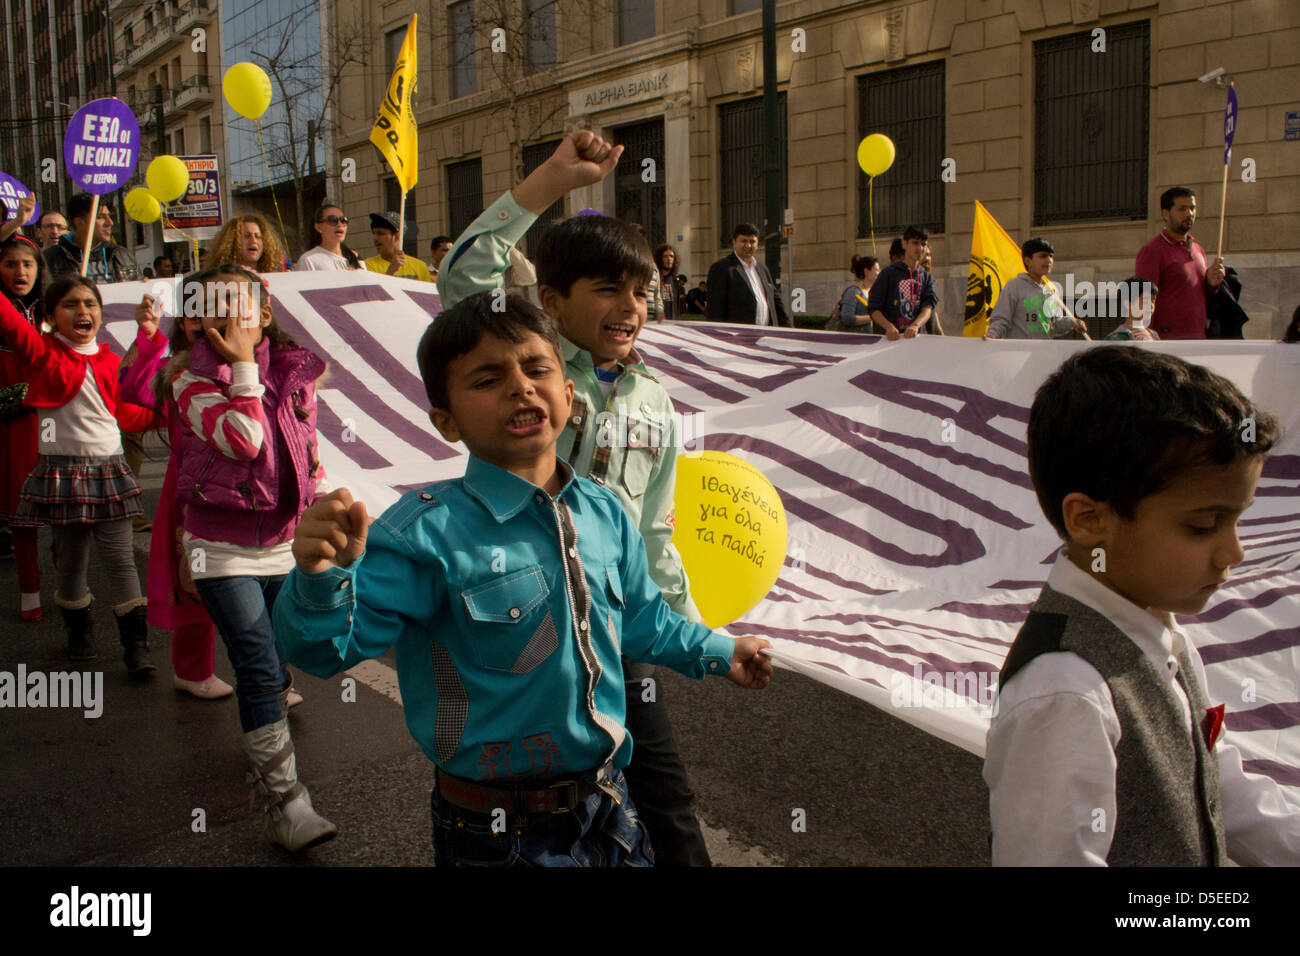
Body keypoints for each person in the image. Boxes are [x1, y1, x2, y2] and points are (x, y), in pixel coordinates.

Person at [273, 292, 773, 867]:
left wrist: (720, 650)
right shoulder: (423, 534)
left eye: (537, 368)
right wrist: (317, 577)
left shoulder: (607, 513)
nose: (520, 386)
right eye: (488, 379)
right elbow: (323, 650)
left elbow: (643, 623)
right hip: (495, 832)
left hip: (611, 805)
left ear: (567, 395)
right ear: (446, 421)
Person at [439, 130, 722, 866]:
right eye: (607, 289)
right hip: (530, 637)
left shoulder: (655, 400)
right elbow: (464, 275)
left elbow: (655, 531)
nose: (630, 306)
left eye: (641, 292)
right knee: (544, 816)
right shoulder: (531, 365)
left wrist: (696, 640)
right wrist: (551, 181)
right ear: (551, 301)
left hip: (617, 634)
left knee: (668, 800)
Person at [985, 346, 1300, 865]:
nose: (1235, 552)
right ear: (1091, 521)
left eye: (1237, 519)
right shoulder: (1066, 694)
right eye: (1203, 526)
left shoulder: (1160, 631)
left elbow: (1215, 788)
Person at [165, 265, 334, 850]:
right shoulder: (189, 383)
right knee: (259, 667)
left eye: (244, 306)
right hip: (220, 550)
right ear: (197, 321)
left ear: (265, 315)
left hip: (284, 546)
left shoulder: (295, 374)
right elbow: (245, 440)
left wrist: (317, 497)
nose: (233, 317)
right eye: (217, 307)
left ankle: (267, 761)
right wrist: (242, 369)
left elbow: (304, 448)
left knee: (281, 657)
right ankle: (287, 802)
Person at [0, 276, 154, 669]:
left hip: (110, 471)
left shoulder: (111, 360)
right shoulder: (41, 353)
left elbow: (125, 413)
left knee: (121, 559)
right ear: (50, 316)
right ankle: (79, 633)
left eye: (90, 302)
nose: (83, 311)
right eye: (70, 304)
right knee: (71, 562)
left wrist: (169, 416)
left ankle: (136, 646)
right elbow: (9, 320)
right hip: (62, 473)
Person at [116, 293, 235, 701]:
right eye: (195, 315)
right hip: (194, 496)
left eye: (220, 311)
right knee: (195, 583)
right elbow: (134, 390)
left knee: (261, 586)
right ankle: (193, 670)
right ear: (182, 324)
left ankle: (270, 678)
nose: (207, 323)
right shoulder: (173, 372)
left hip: (251, 494)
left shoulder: (256, 366)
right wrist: (148, 339)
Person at [0, 236, 45, 621]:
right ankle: (29, 586)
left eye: (27, 264)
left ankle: (71, 589)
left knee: (68, 509)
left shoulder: (51, 306)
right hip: (11, 422)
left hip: (52, 416)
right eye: (11, 264)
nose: (20, 272)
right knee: (20, 506)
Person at [1135, 186, 1233, 340]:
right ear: (1166, 214)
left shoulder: (1198, 249)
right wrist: (1146, 341)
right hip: (1167, 342)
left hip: (1199, 338)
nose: (1189, 213)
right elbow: (1142, 299)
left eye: (1192, 208)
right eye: (1182, 209)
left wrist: (1212, 283)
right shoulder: (1152, 250)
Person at [983, 238, 1089, 340]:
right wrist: (992, 334)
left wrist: (1072, 322)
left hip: (1044, 353)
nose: (1049, 260)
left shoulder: (1052, 290)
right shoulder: (1014, 286)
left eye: (1051, 256)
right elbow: (1001, 319)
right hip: (1018, 352)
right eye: (1043, 256)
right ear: (1028, 261)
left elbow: (1054, 326)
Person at [706, 224, 792, 327]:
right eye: (743, 241)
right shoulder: (722, 268)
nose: (748, 246)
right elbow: (715, 309)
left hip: (766, 335)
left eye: (752, 241)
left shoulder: (762, 269)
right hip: (737, 337)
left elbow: (775, 301)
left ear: (757, 243)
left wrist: (790, 330)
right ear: (734, 242)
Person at [43, 193, 138, 284]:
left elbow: (136, 292)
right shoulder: (50, 258)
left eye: (109, 216)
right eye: (100, 217)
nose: (110, 222)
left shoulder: (121, 255)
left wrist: (144, 286)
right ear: (79, 222)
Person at [867, 225, 938, 340]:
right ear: (904, 244)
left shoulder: (926, 277)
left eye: (923, 244)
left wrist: (915, 326)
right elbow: (873, 309)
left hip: (917, 342)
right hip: (889, 342)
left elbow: (928, 307)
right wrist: (889, 327)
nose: (920, 248)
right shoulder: (888, 274)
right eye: (915, 243)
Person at [203, 214, 287, 274]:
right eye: (246, 236)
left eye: (258, 236)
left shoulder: (274, 276)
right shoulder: (219, 279)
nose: (253, 240)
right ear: (232, 242)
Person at [293, 203, 365, 271]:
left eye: (343, 220)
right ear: (318, 227)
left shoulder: (356, 259)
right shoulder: (308, 260)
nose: (339, 224)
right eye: (333, 220)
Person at [364, 212, 432, 280]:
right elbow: (372, 290)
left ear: (397, 236)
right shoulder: (366, 266)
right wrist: (390, 271)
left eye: (380, 233)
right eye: (374, 233)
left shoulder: (420, 267)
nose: (375, 238)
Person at [835, 255, 880, 329]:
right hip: (854, 339)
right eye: (876, 270)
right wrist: (874, 317)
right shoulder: (853, 292)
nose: (879, 273)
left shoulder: (873, 292)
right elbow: (847, 318)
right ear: (866, 271)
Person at [654, 245, 686, 322]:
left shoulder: (675, 280)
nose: (669, 259)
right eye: (665, 256)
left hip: (672, 322)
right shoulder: (655, 277)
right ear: (659, 258)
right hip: (657, 322)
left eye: (671, 256)